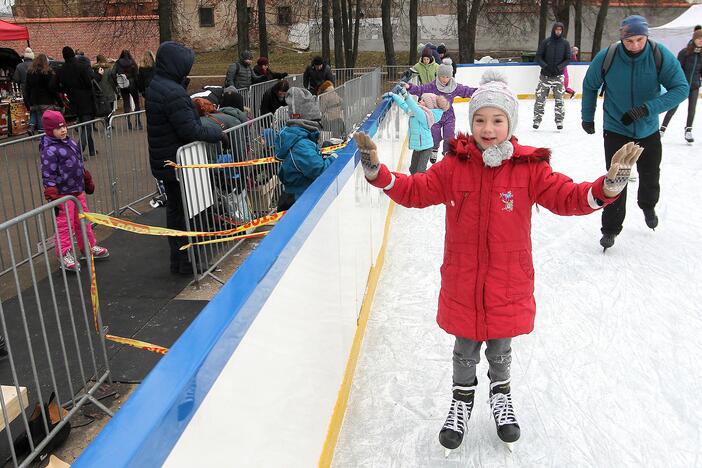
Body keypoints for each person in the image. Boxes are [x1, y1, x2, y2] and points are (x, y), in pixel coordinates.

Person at [353, 71, 643, 453]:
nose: (488, 129)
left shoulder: (529, 169)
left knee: (501, 348)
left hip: (508, 279)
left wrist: (608, 187)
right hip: (464, 278)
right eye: (479, 120)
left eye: (497, 120)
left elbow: (568, 197)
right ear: (470, 122)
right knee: (464, 348)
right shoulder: (454, 166)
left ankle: (501, 394)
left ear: (510, 123)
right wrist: (378, 173)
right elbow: (415, 190)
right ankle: (461, 399)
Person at [582, 15, 687, 250]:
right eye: (629, 41)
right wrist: (587, 117)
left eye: (640, 39)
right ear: (622, 39)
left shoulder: (659, 56)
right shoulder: (608, 56)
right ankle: (610, 229)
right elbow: (590, 86)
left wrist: (647, 109)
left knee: (650, 172)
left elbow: (681, 88)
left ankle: (648, 205)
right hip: (616, 127)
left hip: (648, 128)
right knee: (616, 178)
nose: (635, 46)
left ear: (646, 36)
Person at [146, 41, 224, 274]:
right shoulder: (172, 93)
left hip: (166, 159)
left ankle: (179, 260)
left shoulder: (159, 85)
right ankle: (186, 260)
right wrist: (217, 133)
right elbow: (191, 129)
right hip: (177, 162)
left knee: (177, 211)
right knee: (185, 213)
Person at [40, 110, 109, 272]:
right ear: (50, 130)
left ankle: (89, 247)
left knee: (83, 220)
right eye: (58, 128)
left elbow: (78, 163)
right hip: (63, 194)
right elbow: (48, 172)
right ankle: (64, 253)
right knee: (65, 225)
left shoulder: (71, 142)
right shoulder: (49, 150)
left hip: (77, 190)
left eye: (64, 126)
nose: (63, 130)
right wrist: (51, 190)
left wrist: (86, 178)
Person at [275, 87, 337, 206]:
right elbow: (319, 170)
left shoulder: (302, 138)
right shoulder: (301, 144)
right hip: (298, 200)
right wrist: (335, 156)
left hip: (302, 195)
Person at [405, 62, 476, 160]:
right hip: (434, 115)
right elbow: (420, 89)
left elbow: (466, 91)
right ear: (438, 76)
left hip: (449, 116)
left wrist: (480, 91)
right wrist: (409, 87)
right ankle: (434, 149)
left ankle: (447, 153)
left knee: (449, 135)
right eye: (442, 76)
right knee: (435, 135)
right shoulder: (433, 86)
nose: (444, 79)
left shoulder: (454, 87)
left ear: (450, 77)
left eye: (447, 77)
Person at [384, 88, 449, 174]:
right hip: (418, 147)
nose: (420, 101)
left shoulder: (427, 116)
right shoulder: (416, 111)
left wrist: (406, 95)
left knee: (420, 171)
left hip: (426, 147)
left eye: (424, 101)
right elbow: (404, 105)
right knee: (412, 169)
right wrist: (394, 96)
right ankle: (415, 185)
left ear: (429, 105)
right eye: (421, 99)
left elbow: (414, 108)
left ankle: (425, 185)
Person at [53, 46, 97, 156]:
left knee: (84, 124)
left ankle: (91, 150)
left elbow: (52, 85)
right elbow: (88, 83)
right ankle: (78, 151)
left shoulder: (61, 70)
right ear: (73, 54)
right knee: (86, 126)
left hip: (73, 100)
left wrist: (64, 90)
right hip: (86, 99)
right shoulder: (81, 67)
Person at [660, 29, 702, 143]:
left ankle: (688, 131)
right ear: (694, 39)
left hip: (694, 86)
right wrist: (676, 82)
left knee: (692, 109)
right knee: (673, 107)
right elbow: (677, 69)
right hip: (681, 86)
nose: (700, 41)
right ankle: (662, 129)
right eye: (698, 38)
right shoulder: (685, 52)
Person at [533, 22, 571, 130]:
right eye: (556, 29)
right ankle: (537, 120)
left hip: (558, 76)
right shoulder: (546, 42)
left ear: (562, 31)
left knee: (559, 100)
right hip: (545, 76)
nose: (558, 31)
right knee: (540, 99)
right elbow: (538, 56)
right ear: (553, 30)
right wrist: (545, 66)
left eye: (560, 30)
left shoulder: (565, 43)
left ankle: (559, 121)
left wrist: (559, 67)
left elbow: (568, 58)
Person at [25, 54, 58, 133]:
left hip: (33, 99)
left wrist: (28, 100)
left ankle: (31, 127)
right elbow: (52, 87)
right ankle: (41, 132)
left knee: (34, 112)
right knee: (41, 115)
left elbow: (27, 88)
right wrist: (58, 101)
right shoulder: (47, 72)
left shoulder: (30, 72)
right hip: (45, 99)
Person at [114, 49, 142, 130]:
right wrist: (138, 86)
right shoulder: (132, 62)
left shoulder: (118, 63)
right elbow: (137, 75)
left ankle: (128, 123)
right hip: (133, 83)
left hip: (123, 84)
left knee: (126, 103)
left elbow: (113, 73)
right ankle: (138, 122)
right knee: (136, 103)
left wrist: (117, 83)